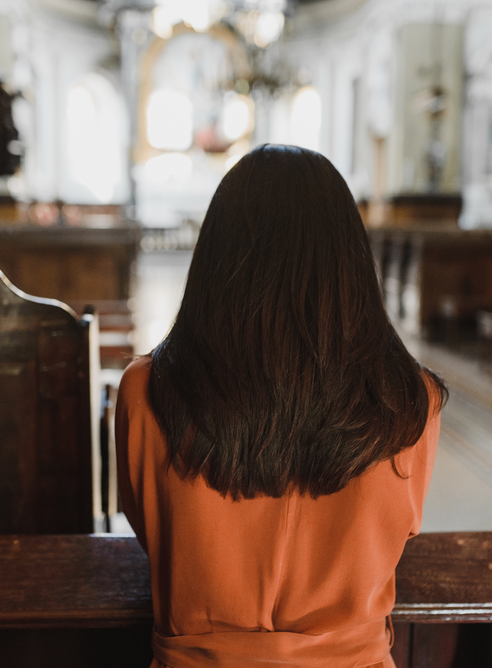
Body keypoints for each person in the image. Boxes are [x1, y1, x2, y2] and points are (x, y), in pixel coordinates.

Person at [116, 144, 446, 668]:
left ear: (216, 256)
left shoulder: (144, 391)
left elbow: (151, 529)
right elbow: (401, 531)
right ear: (350, 259)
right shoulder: (412, 400)